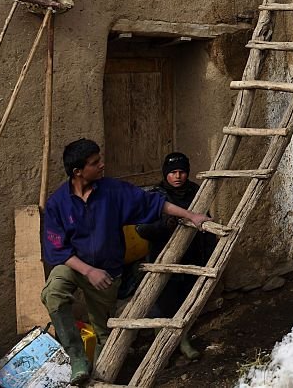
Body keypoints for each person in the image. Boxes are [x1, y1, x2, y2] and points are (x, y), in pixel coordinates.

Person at [41, 139, 209, 385]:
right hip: (74, 267)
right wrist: (88, 271)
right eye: (95, 162)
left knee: (103, 333)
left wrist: (191, 215)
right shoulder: (58, 203)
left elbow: (154, 203)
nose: (102, 165)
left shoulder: (112, 191)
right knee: (53, 293)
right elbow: (57, 249)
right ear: (78, 171)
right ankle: (76, 356)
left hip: (108, 272)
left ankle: (96, 378)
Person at [136, 152, 216, 361]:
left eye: (181, 172)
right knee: (163, 303)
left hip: (191, 257)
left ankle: (183, 340)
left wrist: (209, 254)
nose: (178, 176)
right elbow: (142, 229)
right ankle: (160, 347)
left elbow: (205, 221)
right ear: (166, 174)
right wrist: (164, 225)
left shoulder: (195, 192)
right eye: (173, 172)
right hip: (163, 258)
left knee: (184, 300)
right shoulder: (156, 196)